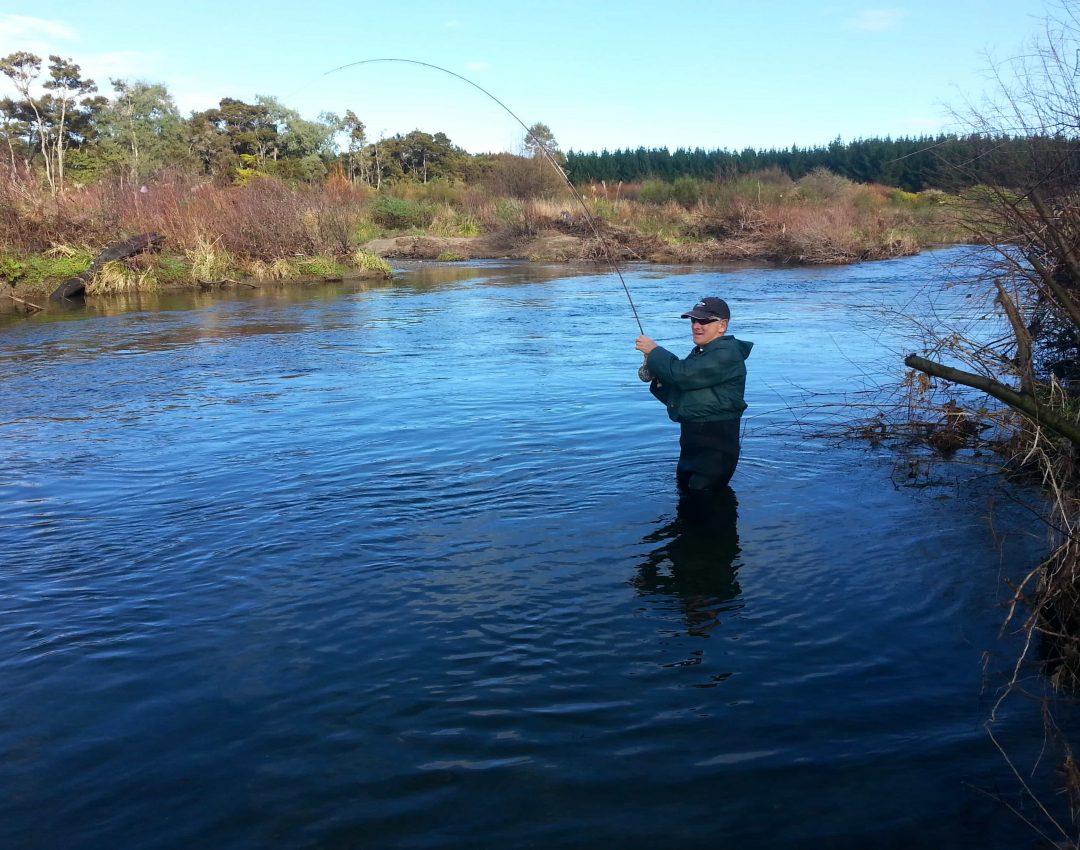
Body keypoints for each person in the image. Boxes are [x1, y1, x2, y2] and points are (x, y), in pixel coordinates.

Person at [635, 297, 753, 492]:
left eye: (705, 321)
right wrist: (658, 376)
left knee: (705, 511)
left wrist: (654, 351)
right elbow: (682, 392)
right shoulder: (701, 353)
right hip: (691, 451)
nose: (697, 326)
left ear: (722, 326)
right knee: (685, 504)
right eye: (694, 321)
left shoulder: (727, 353)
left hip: (715, 455)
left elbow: (683, 375)